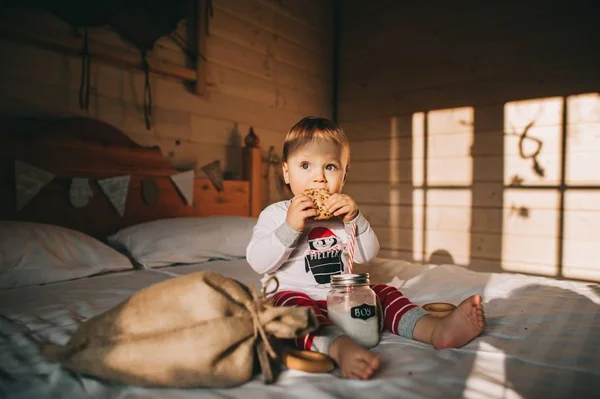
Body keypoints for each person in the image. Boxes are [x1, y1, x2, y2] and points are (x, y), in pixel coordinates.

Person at [246, 117, 485, 380]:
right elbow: (258, 262)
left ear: (344, 174)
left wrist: (355, 219)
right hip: (296, 298)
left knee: (383, 292)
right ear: (286, 172)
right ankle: (340, 348)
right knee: (295, 311)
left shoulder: (343, 216)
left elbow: (367, 254)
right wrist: (290, 227)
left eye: (330, 167)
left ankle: (434, 330)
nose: (319, 179)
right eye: (305, 165)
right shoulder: (276, 214)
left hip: (344, 299)